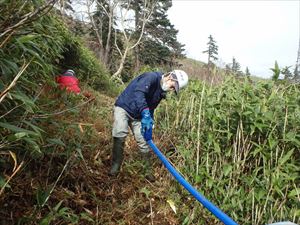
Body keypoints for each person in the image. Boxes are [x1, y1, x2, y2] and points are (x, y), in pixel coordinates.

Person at [109, 70, 189, 181]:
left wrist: (150, 119)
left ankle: (147, 170)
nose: (171, 90)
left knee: (144, 142)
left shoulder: (161, 92)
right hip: (124, 107)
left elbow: (151, 106)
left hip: (138, 115)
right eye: (173, 86)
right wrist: (145, 113)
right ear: (170, 76)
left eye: (174, 89)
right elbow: (139, 93)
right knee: (120, 132)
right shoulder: (151, 77)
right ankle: (116, 166)